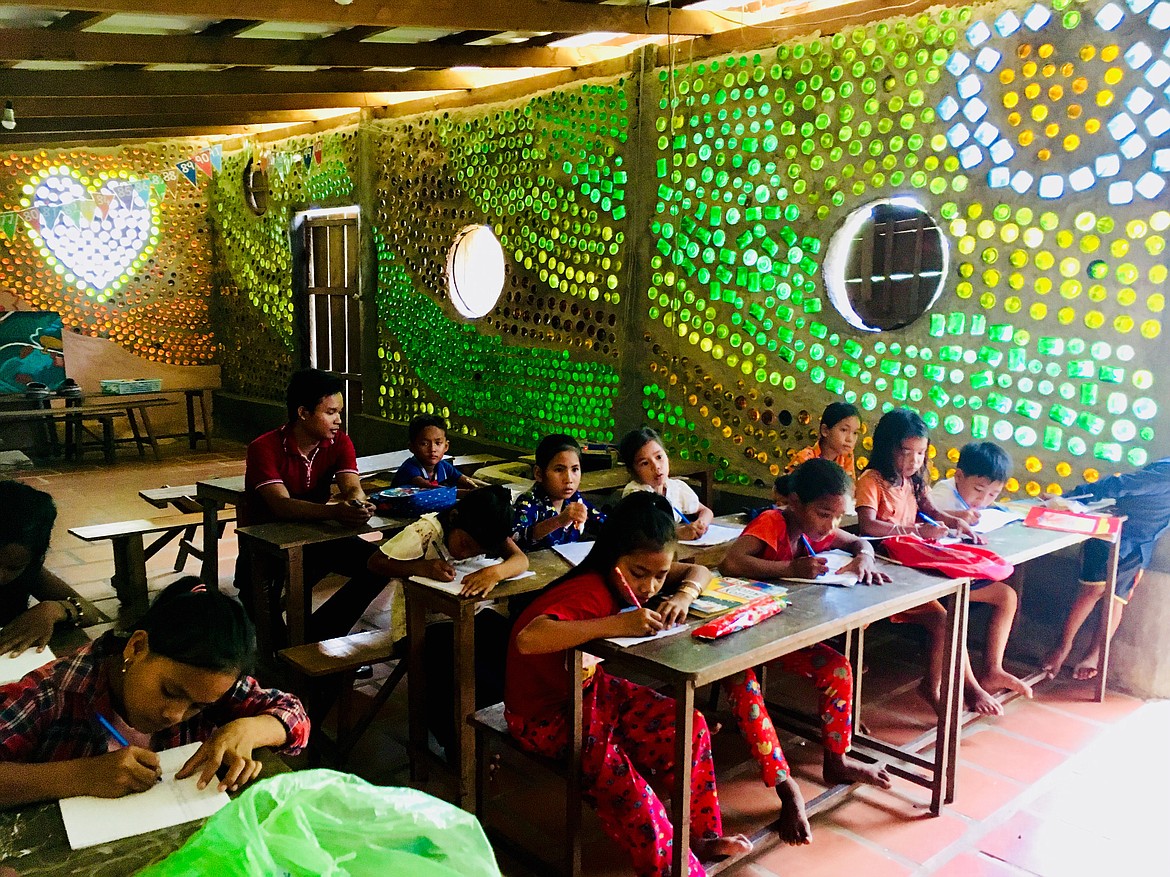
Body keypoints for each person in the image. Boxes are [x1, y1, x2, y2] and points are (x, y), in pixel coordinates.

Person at [506, 492, 753, 875]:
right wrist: (617, 624)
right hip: (544, 717)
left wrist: (685, 594)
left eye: (659, 575)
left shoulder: (643, 569)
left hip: (592, 691)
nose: (650, 587)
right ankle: (674, 869)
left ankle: (699, 837)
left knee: (690, 727)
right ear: (613, 556)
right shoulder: (590, 590)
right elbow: (528, 638)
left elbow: (701, 572)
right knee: (624, 784)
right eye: (640, 574)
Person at [0, 577, 309, 807]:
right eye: (169, 691)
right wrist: (80, 776)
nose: (174, 715)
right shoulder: (54, 691)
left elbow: (294, 715)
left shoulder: (212, 683)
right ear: (136, 647)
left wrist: (249, 729)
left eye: (197, 708)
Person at [720, 459, 892, 844]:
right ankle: (786, 788)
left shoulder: (820, 528)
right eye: (824, 514)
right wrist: (789, 568)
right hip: (736, 644)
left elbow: (859, 540)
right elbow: (730, 562)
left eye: (837, 515)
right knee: (746, 694)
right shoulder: (774, 522)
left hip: (778, 638)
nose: (831, 525)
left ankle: (837, 760)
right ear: (795, 502)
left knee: (838, 669)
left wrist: (864, 556)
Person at [855, 409, 1002, 716]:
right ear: (887, 448)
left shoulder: (914, 481)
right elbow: (868, 526)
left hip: (910, 567)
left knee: (945, 621)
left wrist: (956, 522)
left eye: (920, 453)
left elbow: (933, 511)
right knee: (855, 631)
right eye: (905, 452)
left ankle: (931, 686)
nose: (913, 461)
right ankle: (850, 711)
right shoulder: (872, 480)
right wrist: (914, 530)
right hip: (882, 568)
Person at [368, 485, 526, 752]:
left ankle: (485, 732)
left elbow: (520, 560)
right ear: (453, 518)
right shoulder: (424, 532)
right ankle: (456, 744)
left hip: (467, 617)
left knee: (513, 643)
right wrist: (420, 567)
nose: (466, 554)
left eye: (477, 551)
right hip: (419, 626)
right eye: (464, 545)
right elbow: (375, 562)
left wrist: (495, 572)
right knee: (453, 669)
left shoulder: (488, 528)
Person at [239, 368, 385, 644]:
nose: (338, 420)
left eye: (339, 412)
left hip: (314, 535)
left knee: (379, 564)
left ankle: (319, 638)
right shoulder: (264, 447)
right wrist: (335, 512)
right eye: (330, 412)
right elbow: (281, 505)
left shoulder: (338, 442)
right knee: (269, 632)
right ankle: (295, 649)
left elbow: (351, 484)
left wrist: (358, 502)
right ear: (303, 412)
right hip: (265, 545)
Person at [1042, 456, 1170, 681]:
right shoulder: (1166, 471)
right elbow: (1119, 485)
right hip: (1112, 533)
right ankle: (1063, 646)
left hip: (1141, 546)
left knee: (1117, 598)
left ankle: (1095, 653)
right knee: (1091, 591)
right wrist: (1068, 498)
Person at [929, 442, 1032, 701]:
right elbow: (927, 518)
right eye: (978, 490)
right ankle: (970, 684)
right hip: (938, 574)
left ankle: (993, 669)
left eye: (993, 494)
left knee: (1007, 596)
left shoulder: (978, 504)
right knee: (957, 612)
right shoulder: (942, 495)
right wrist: (957, 517)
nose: (983, 499)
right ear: (959, 476)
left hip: (963, 569)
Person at [0, 481, 96, 656]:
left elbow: (90, 612)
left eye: (14, 567)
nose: (1, 575)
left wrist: (53, 610)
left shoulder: (30, 572)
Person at [512, 434, 606, 551]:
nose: (569, 479)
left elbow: (603, 523)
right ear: (539, 474)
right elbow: (516, 538)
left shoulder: (575, 499)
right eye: (559, 470)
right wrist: (559, 520)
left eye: (575, 469)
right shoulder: (528, 502)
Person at [619, 427, 714, 541]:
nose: (656, 467)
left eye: (659, 457)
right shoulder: (635, 494)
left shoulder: (675, 488)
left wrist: (701, 524)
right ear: (632, 471)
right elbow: (645, 533)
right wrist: (678, 533)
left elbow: (706, 511)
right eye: (645, 463)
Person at [391, 415, 483, 491]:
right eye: (424, 444)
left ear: (446, 446)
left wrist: (489, 487)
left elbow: (467, 480)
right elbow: (431, 488)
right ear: (412, 447)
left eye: (438, 443)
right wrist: (471, 493)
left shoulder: (443, 466)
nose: (432, 449)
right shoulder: (410, 468)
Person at [787, 402, 862, 479]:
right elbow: (782, 489)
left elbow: (850, 489)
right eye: (844, 430)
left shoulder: (846, 456)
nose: (850, 439)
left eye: (855, 433)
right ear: (825, 430)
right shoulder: (804, 459)